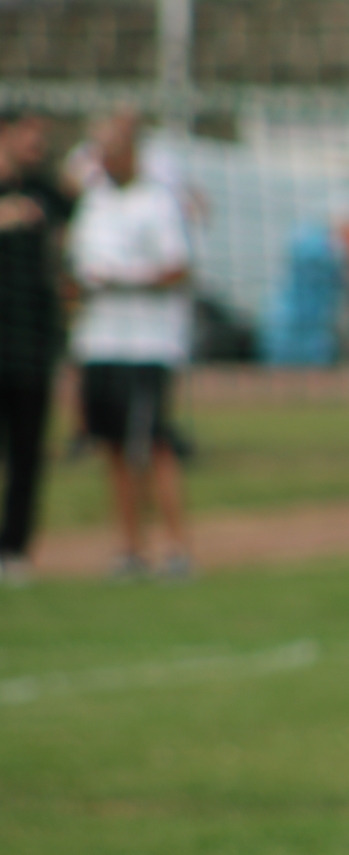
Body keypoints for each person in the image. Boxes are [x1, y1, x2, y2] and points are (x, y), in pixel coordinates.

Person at [67, 114, 194, 579]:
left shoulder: (157, 202)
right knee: (114, 447)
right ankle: (130, 549)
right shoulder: (93, 203)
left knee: (154, 445)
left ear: (133, 152)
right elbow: (76, 266)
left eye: (113, 150)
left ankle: (176, 549)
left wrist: (122, 281)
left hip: (147, 345)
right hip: (99, 341)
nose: (105, 160)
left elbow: (178, 269)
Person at [0, 110, 77, 585]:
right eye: (28, 133)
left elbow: (86, 202)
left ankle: (14, 550)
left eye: (41, 135)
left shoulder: (45, 192)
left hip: (32, 344)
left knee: (27, 452)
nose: (37, 143)